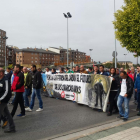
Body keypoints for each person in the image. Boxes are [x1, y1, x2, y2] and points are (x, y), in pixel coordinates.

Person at [0, 68, 16, 133]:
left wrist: (0, 99)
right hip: (1, 99)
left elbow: (6, 91)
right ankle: (12, 128)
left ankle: (12, 128)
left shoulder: (5, 80)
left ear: (1, 73)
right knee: (7, 114)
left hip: (3, 100)